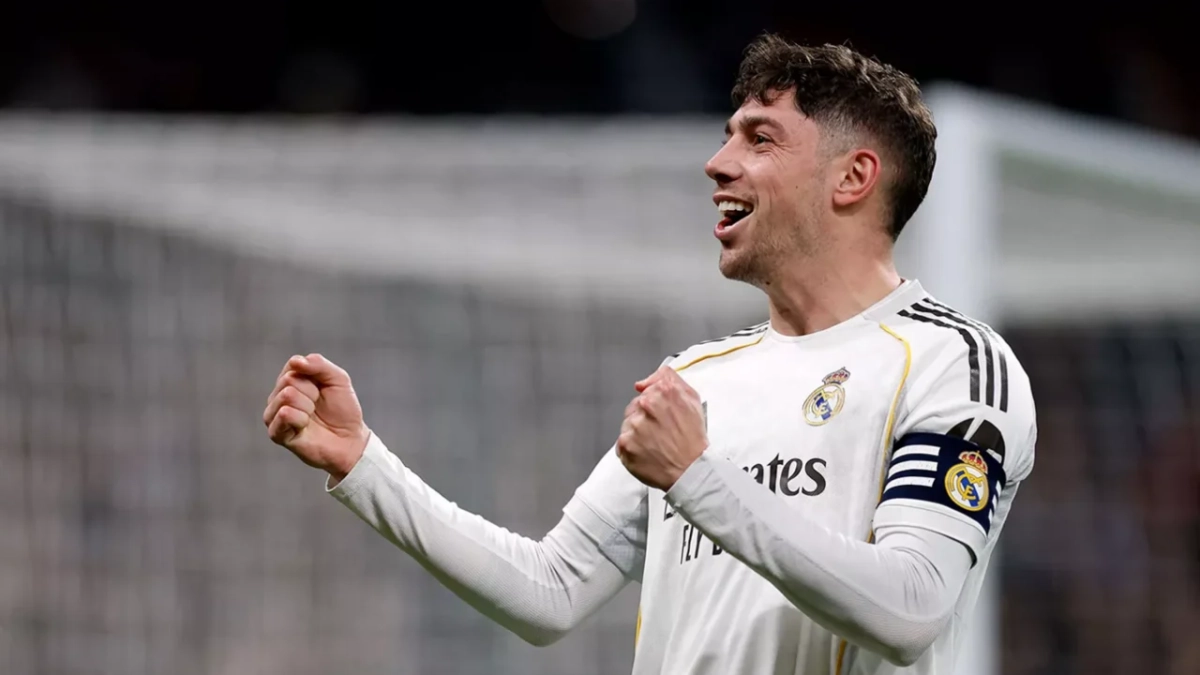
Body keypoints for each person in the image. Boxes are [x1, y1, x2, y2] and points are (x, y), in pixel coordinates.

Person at [263, 33, 1036, 675]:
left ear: (854, 177)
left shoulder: (950, 361)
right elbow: (551, 587)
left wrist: (699, 478)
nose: (718, 162)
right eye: (728, 133)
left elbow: (910, 607)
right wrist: (364, 465)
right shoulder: (700, 381)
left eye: (759, 138)